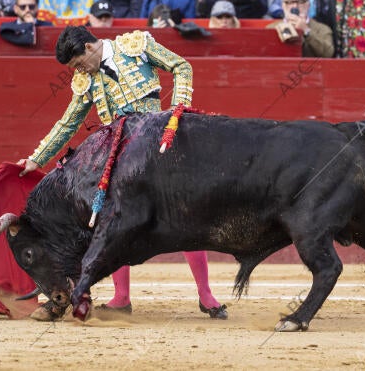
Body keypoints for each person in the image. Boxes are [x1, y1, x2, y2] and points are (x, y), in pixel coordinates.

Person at [17, 26, 227, 321]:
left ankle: (206, 295)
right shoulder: (85, 80)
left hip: (157, 144)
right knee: (112, 219)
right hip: (120, 153)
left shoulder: (136, 46)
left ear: (89, 48)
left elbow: (181, 65)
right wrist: (36, 159)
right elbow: (68, 123)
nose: (80, 71)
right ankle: (121, 297)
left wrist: (177, 113)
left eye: (79, 64)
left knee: (184, 214)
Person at [266, 0, 334, 57]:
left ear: (308, 5)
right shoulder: (271, 28)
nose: (295, 6)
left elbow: (328, 54)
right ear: (283, 5)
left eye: (300, 2)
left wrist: (306, 31)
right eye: (289, 2)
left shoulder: (322, 29)